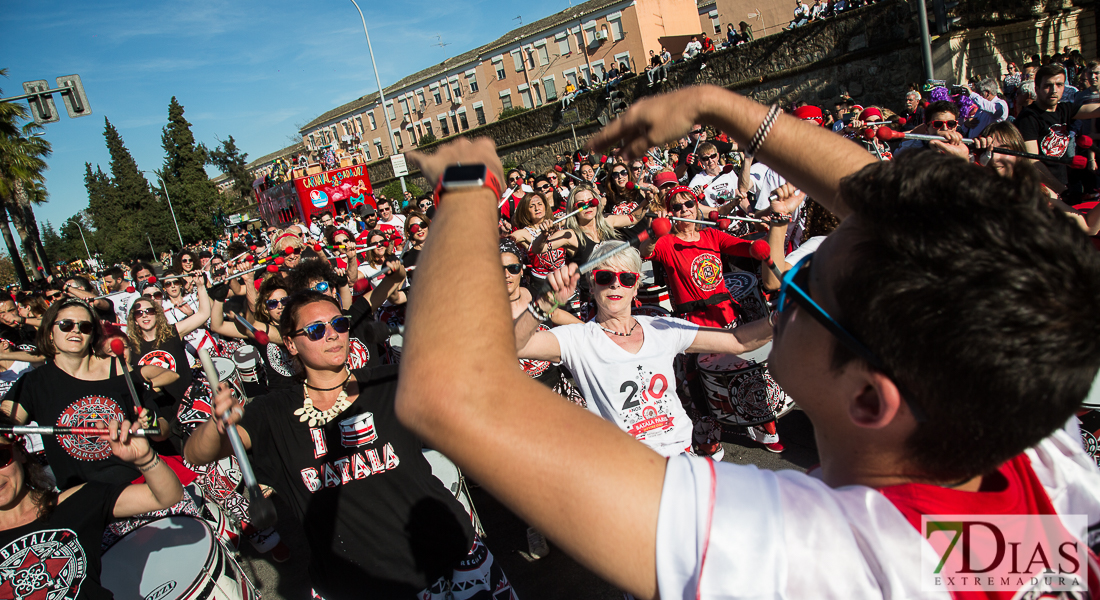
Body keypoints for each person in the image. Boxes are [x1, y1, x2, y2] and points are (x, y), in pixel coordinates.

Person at [400, 86, 1100, 600]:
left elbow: (450, 393)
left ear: (869, 398)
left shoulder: (827, 563)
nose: (785, 274)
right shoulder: (1030, 429)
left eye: (809, 280)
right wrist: (716, 105)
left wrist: (467, 182)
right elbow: (897, 212)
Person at [185, 292, 517, 599]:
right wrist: (218, 426)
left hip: (449, 557)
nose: (332, 334)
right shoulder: (273, 413)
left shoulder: (391, 381)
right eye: (315, 330)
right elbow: (196, 454)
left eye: (339, 324)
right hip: (355, 585)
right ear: (290, 343)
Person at [0, 413, 183, 600]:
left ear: (20, 452)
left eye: (0, 457)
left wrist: (144, 458)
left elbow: (166, 497)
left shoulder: (74, 502)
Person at [2, 298, 177, 489]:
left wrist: (150, 422)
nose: (76, 330)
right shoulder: (34, 383)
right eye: (66, 325)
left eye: (85, 326)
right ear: (50, 332)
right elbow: (5, 424)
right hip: (80, 496)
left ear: (92, 335)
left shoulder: (118, 369)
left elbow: (162, 431)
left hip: (134, 484)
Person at [1016, 63, 1100, 198]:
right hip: (1041, 189)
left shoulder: (1064, 109)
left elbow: (1095, 110)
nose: (1054, 90)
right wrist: (1062, 191)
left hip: (1062, 186)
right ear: (1036, 88)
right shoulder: (1028, 118)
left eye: (1059, 85)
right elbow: (1033, 162)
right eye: (1048, 85)